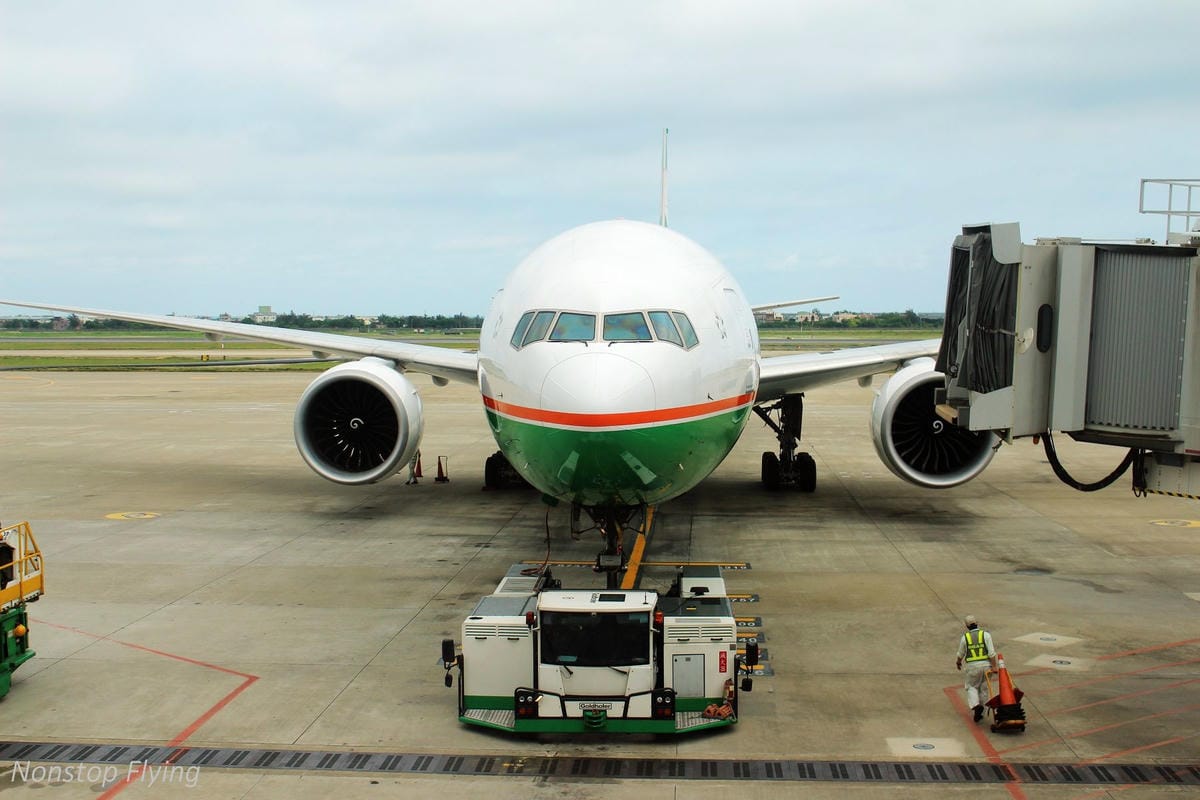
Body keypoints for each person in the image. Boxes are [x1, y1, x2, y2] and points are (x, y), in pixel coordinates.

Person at [955, 614, 998, 722]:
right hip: (986, 666)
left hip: (972, 667)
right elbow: (991, 653)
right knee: (983, 688)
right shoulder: (986, 635)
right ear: (977, 623)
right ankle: (981, 713)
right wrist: (994, 666)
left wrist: (958, 662)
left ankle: (976, 705)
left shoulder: (965, 638)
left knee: (971, 687)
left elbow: (961, 653)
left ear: (967, 626)